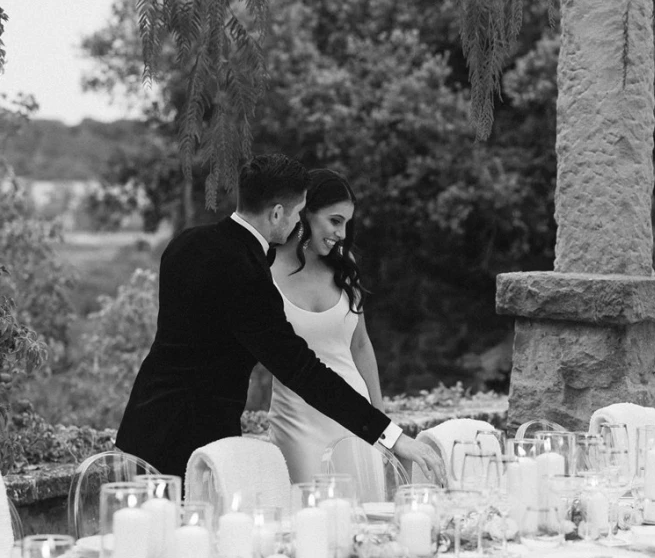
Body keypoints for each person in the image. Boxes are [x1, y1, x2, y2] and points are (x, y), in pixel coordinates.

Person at [115, 152, 427, 483]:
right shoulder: (249, 274)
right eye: (297, 213)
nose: (298, 223)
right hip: (192, 448)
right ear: (277, 213)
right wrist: (389, 435)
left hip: (138, 430)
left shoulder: (185, 243)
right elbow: (301, 369)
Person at [268, 169, 387, 499]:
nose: (342, 233)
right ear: (306, 212)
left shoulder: (343, 264)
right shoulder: (264, 273)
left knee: (368, 519)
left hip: (356, 422)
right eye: (335, 221)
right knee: (308, 520)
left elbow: (360, 345)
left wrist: (380, 420)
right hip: (297, 427)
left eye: (347, 223)